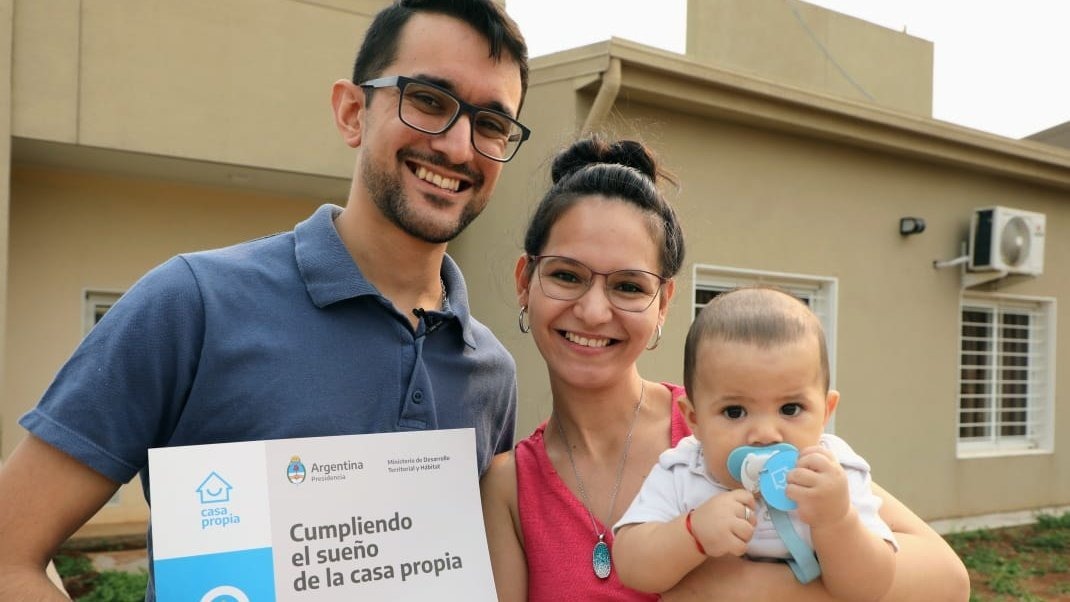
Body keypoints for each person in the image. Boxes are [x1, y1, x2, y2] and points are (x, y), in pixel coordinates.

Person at [0, 1, 529, 599]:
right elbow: (8, 555)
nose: (459, 147)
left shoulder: (491, 374)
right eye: (429, 100)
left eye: (492, 123)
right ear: (352, 112)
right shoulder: (191, 305)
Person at [480, 133, 970, 602]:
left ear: (663, 303)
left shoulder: (731, 425)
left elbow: (947, 581)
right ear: (525, 282)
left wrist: (751, 591)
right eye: (567, 275)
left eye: (628, 286)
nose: (592, 311)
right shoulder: (508, 486)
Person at [613, 286, 896, 600]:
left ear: (826, 411)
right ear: (694, 419)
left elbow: (870, 589)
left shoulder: (836, 473)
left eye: (790, 409)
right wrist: (692, 533)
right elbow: (631, 566)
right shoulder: (682, 472)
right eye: (734, 412)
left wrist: (837, 520)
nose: (765, 433)